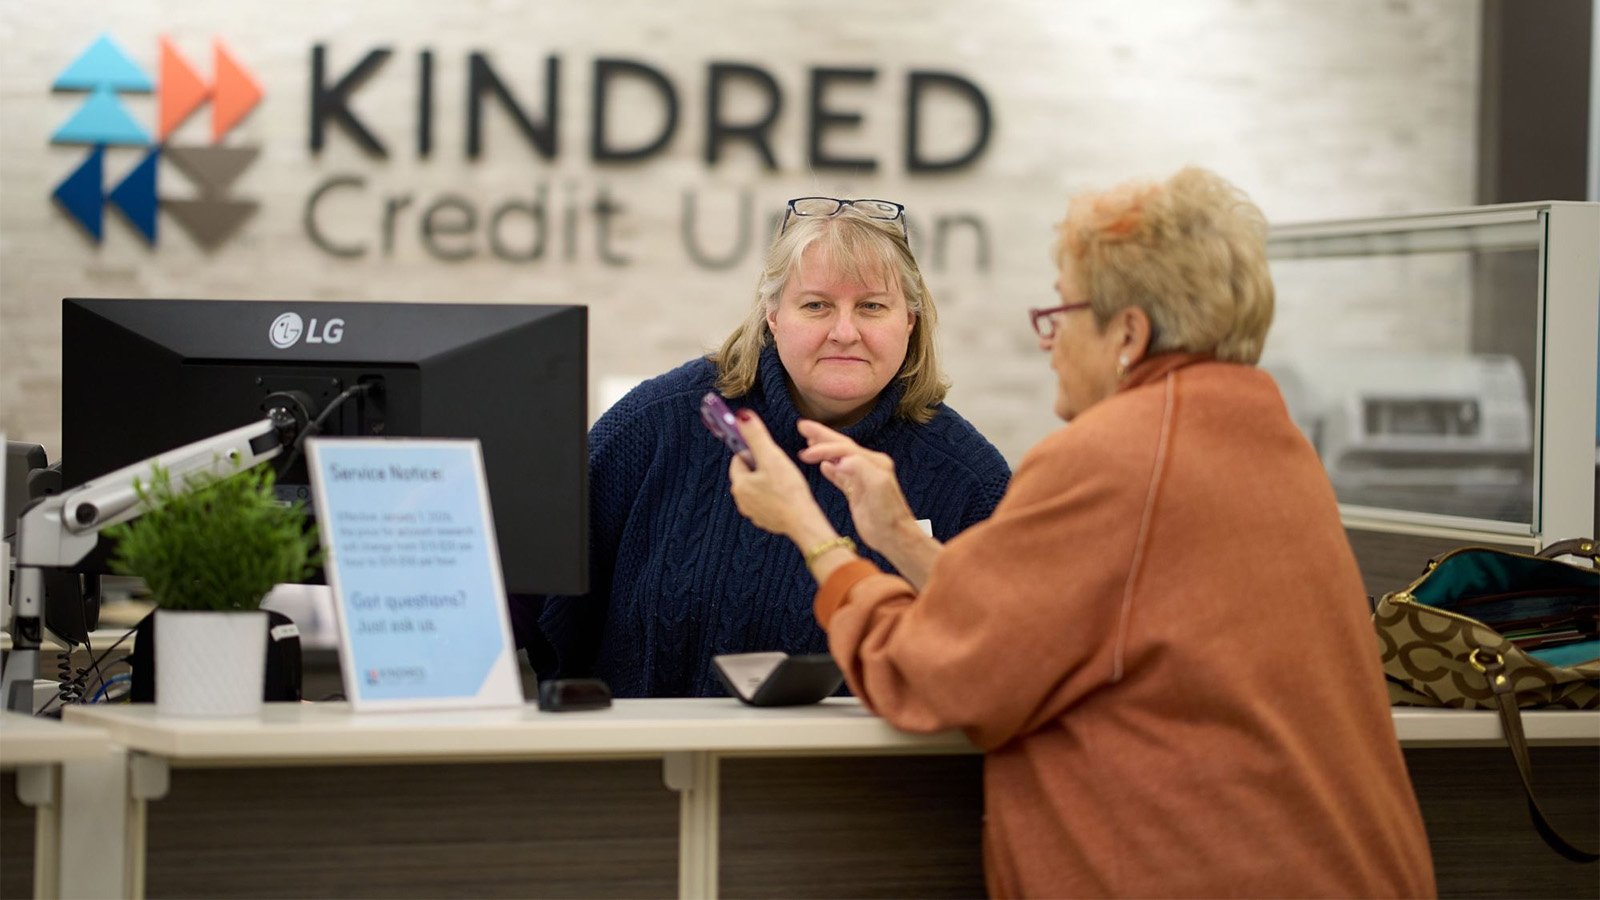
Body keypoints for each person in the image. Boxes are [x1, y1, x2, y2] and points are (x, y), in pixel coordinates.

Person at [725, 169, 1436, 897]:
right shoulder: (1270, 442)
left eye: (1061, 310)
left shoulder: (1115, 456)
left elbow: (932, 676)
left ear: (1127, 332)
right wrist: (903, 537)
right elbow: (1039, 627)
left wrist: (812, 531)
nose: (1049, 341)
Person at [532, 197, 1011, 697]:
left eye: (872, 306)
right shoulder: (656, 425)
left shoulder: (969, 479)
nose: (844, 332)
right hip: (647, 764)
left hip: (865, 772)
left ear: (909, 322)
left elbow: (1001, 664)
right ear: (773, 317)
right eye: (816, 305)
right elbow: (546, 611)